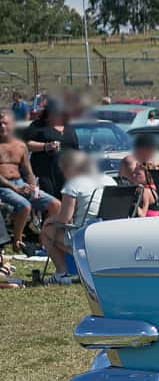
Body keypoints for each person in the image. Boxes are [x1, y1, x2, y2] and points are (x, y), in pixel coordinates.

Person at [42, 149, 105, 278]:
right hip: (106, 234)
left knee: (46, 231)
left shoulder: (74, 185)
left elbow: (64, 219)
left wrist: (49, 220)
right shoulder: (109, 180)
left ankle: (62, 274)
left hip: (84, 236)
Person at [0, 115, 58, 254]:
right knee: (25, 206)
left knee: (55, 204)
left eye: (5, 123)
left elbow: (28, 171)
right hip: (3, 186)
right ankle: (17, 243)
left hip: (20, 183)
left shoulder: (21, 146)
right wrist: (15, 188)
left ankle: (46, 239)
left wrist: (34, 189)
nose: (2, 127)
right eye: (0, 124)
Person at [22, 100, 67, 199]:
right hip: (45, 174)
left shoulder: (68, 126)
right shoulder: (38, 125)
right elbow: (27, 144)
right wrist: (46, 146)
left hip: (66, 174)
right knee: (52, 204)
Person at [117, 134, 159, 215]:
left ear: (148, 175)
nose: (134, 176)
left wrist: (130, 202)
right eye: (134, 173)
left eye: (137, 175)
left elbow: (142, 215)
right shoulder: (154, 187)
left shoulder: (145, 191)